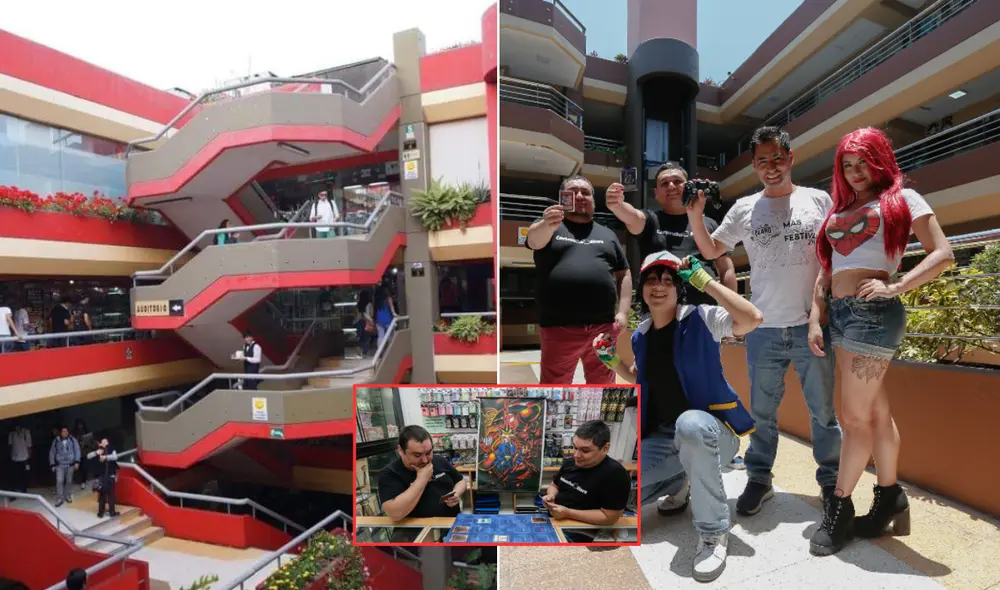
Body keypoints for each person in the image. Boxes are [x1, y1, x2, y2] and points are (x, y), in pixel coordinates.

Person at [807, 128, 953, 555]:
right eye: (847, 166)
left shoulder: (903, 199)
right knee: (876, 412)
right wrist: (817, 317)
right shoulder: (841, 208)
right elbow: (826, 272)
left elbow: (942, 253)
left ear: (880, 160)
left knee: (852, 418)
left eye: (862, 163)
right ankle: (890, 497)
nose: (854, 173)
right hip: (843, 316)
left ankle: (839, 509)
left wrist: (897, 285)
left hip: (873, 316)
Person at [688, 125, 843, 516]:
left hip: (811, 326)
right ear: (755, 166)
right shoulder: (744, 208)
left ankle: (831, 481)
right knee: (763, 413)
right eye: (762, 161)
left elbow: (831, 258)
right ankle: (759, 478)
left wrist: (818, 312)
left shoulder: (818, 200)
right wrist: (695, 216)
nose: (771, 167)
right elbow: (710, 249)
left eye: (778, 158)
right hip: (763, 328)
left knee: (823, 413)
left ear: (791, 158)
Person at [592, 251, 763, 582]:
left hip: (713, 435)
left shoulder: (702, 318)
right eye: (652, 280)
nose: (659, 286)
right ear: (642, 288)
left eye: (668, 280)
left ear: (680, 287)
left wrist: (707, 281)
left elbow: (752, 318)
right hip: (666, 437)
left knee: (691, 425)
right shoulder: (641, 335)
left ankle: (714, 532)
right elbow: (638, 377)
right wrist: (611, 360)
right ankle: (678, 483)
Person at [526, 175, 632, 384]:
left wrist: (623, 312)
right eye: (573, 192)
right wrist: (547, 224)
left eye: (585, 192)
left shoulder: (608, 235)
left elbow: (624, 273)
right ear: (562, 198)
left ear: (593, 200)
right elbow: (533, 240)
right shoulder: (549, 227)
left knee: (603, 389)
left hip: (603, 328)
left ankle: (599, 419)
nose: (580, 196)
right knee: (555, 389)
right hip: (559, 328)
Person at [605, 162, 738, 304]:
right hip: (657, 310)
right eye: (664, 183)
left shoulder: (709, 223)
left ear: (688, 186)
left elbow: (726, 268)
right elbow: (632, 217)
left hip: (703, 309)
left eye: (677, 181)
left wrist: (730, 306)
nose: (671, 187)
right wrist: (618, 206)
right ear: (656, 193)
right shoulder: (650, 220)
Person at [541, 420, 632, 543]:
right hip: (554, 520)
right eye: (575, 447)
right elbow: (554, 485)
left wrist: (567, 513)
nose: (576, 455)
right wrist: (551, 495)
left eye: (585, 450)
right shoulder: (571, 462)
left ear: (605, 448)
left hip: (583, 530)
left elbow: (609, 517)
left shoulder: (616, 475)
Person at [378, 425, 468, 521]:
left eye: (429, 452)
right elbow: (394, 514)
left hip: (450, 525)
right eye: (417, 455)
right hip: (416, 532)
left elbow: (461, 481)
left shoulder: (439, 460)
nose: (425, 460)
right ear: (401, 450)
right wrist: (422, 479)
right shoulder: (389, 474)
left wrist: (456, 493)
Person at [49, 426, 81, 507]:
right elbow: (52, 452)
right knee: (59, 480)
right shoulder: (56, 441)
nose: (65, 433)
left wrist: (77, 461)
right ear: (60, 432)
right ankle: (60, 498)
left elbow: (77, 450)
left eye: (66, 431)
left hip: (70, 464)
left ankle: (67, 495)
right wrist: (52, 464)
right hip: (60, 465)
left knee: (69, 481)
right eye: (63, 431)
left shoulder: (73, 440)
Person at [92, 437, 120, 518]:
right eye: (102, 442)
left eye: (104, 441)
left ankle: (107, 512)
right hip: (104, 476)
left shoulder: (110, 448)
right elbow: (91, 457)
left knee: (107, 495)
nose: (103, 443)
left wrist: (105, 457)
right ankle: (105, 512)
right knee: (105, 495)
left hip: (107, 475)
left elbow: (115, 457)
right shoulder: (99, 450)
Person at [8, 423, 32, 493]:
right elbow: (10, 445)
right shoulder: (11, 434)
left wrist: (29, 456)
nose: (17, 429)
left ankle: (24, 490)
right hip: (15, 458)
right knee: (16, 475)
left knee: (24, 475)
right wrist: (10, 456)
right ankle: (17, 489)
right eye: (15, 427)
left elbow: (29, 445)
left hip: (25, 457)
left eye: (18, 427)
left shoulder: (26, 432)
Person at [355, 288, 375, 357]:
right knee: (367, 338)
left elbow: (357, 314)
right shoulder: (369, 304)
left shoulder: (359, 304)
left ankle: (359, 346)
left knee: (360, 336)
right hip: (367, 321)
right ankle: (364, 353)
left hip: (359, 321)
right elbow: (371, 314)